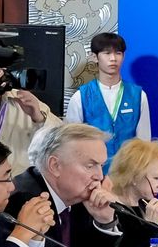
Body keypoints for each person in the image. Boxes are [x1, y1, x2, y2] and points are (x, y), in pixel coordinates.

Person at [8, 122, 131, 247]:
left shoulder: (79, 200)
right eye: (90, 166)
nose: (99, 176)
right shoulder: (24, 201)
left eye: (101, 166)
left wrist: (103, 223)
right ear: (55, 166)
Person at [63, 31, 151, 166]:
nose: (113, 59)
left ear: (124, 56)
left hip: (128, 174)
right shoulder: (81, 97)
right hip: (93, 174)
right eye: (107, 53)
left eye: (118, 53)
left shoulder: (138, 95)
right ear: (95, 57)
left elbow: (144, 141)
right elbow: (71, 142)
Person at [104, 138, 158, 247]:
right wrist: (151, 226)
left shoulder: (143, 206)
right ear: (135, 176)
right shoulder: (110, 210)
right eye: (156, 178)